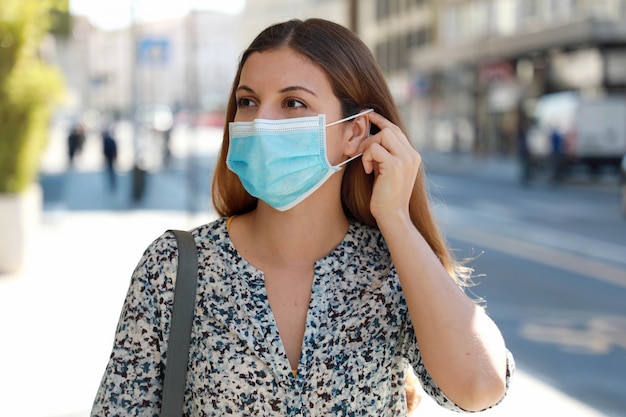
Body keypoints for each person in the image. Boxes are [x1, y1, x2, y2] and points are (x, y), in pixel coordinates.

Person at [91, 18, 513, 416]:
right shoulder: (175, 266)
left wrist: (396, 220)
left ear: (355, 132)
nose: (260, 122)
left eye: (292, 102)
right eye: (247, 101)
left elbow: (479, 388)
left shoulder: (391, 268)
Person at [102, 125, 118, 191]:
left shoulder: (109, 140)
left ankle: (112, 182)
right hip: (110, 157)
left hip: (110, 157)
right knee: (110, 170)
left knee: (111, 170)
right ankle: (112, 182)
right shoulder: (109, 140)